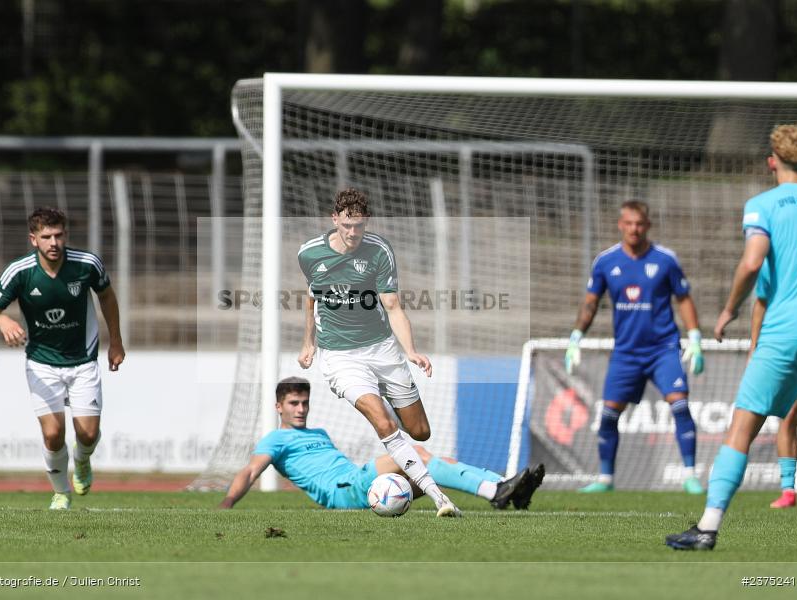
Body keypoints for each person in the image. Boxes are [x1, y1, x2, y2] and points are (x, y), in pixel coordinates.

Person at [666, 123, 797, 550]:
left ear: (772, 161)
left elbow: (752, 263)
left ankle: (707, 528)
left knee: (742, 427)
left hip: (788, 328)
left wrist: (730, 308)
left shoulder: (763, 204)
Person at [296, 188, 459, 516]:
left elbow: (393, 306)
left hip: (382, 349)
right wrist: (308, 341)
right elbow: (312, 295)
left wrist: (410, 350)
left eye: (358, 226)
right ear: (334, 220)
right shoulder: (309, 254)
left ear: (366, 222)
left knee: (419, 432)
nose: (352, 233)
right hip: (340, 357)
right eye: (346, 225)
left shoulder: (379, 251)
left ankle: (391, 413)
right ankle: (440, 498)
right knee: (382, 423)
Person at [0, 207, 125, 510]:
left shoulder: (87, 264)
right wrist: (3, 321)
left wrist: (116, 343)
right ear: (34, 239)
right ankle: (61, 493)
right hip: (41, 362)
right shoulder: (19, 272)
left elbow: (108, 297)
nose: (54, 242)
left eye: (59, 235)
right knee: (53, 432)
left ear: (66, 235)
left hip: (83, 359)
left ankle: (83, 461)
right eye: (46, 237)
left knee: (88, 433)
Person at [219, 377, 545, 511]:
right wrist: (227, 505)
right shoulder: (275, 439)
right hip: (342, 491)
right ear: (279, 407)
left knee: (434, 462)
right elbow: (250, 472)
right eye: (293, 404)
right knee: (416, 453)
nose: (301, 409)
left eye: (304, 402)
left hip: (361, 482)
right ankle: (497, 490)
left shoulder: (318, 434)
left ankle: (503, 488)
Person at [565, 200, 705, 494]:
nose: (634, 229)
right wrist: (576, 335)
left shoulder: (665, 259)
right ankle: (605, 479)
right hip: (626, 352)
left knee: (679, 404)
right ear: (620, 225)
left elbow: (684, 298)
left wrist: (694, 336)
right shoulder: (605, 262)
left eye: (639, 224)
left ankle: (691, 475)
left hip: (663, 348)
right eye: (628, 224)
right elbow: (591, 302)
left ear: (647, 226)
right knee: (608, 415)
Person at [750, 264, 797, 509]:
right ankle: (788, 489)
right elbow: (760, 304)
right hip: (782, 346)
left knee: (793, 416)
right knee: (786, 413)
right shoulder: (777, 266)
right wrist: (754, 348)